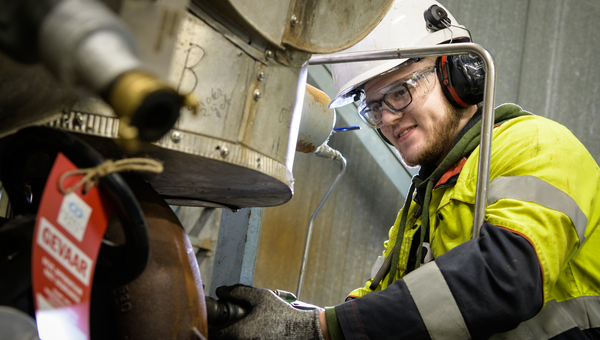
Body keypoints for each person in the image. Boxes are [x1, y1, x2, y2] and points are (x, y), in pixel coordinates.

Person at [212, 0, 600, 339]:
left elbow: (504, 277)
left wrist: (324, 330)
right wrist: (304, 318)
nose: (388, 119)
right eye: (374, 107)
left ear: (460, 74)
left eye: (400, 92)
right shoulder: (425, 201)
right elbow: (389, 308)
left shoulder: (535, 144)